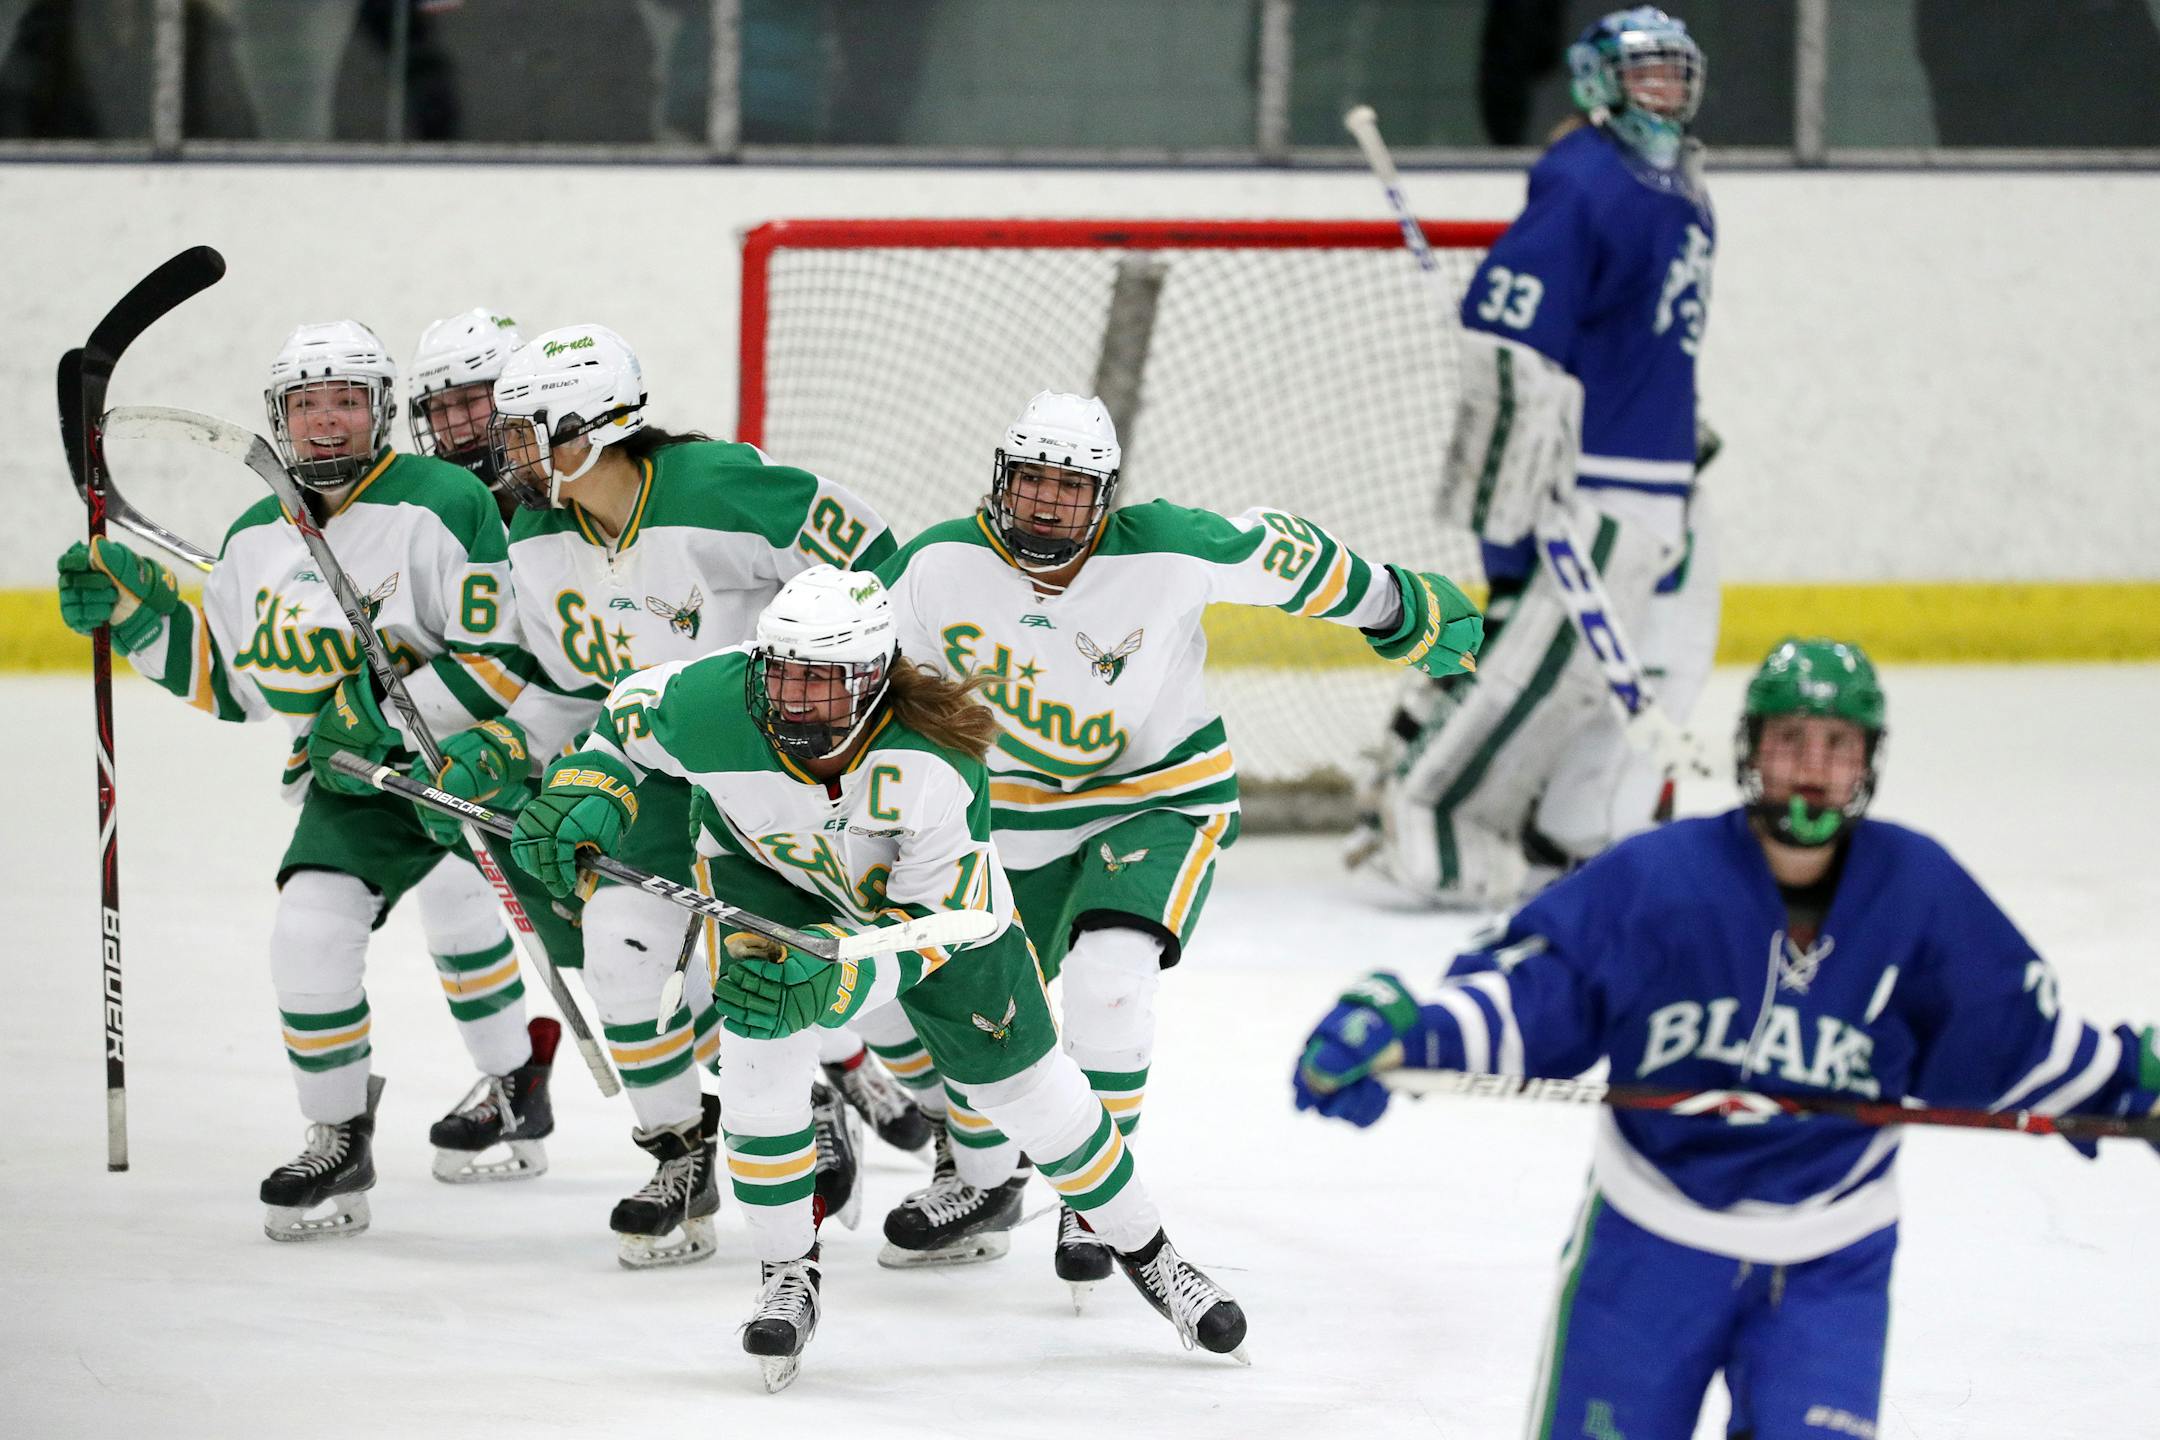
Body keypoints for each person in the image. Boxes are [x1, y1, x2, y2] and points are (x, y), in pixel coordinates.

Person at [1296, 638, 2160, 1439]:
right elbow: (1539, 997)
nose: (1813, 772)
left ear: (1869, 761)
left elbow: (2009, 1036)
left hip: (1830, 1264)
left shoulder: (1920, 893)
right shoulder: (1660, 879)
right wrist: (1415, 1037)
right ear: (1751, 750)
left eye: (1837, 746)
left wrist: (2132, 1077)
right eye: (1791, 741)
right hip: (1649, 1245)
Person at [505, 566, 1249, 1387]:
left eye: (820, 679)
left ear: (872, 681)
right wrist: (592, 783)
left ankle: (1152, 1255)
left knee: (1030, 1093)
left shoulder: (933, 766)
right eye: (781, 669)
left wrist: (834, 986)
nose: (792, 696)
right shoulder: (717, 704)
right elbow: (626, 717)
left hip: (929, 926)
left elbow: (928, 931)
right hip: (769, 888)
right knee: (758, 1070)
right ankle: (788, 1274)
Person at [864, 390, 1482, 1299]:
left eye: (1070, 490)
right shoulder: (933, 566)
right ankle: (981, 1183)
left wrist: (1400, 608)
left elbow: (1292, 557)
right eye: (1031, 480)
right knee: (985, 1019)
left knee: (1111, 979)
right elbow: (854, 676)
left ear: (1106, 498)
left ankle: (1090, 1193)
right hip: (1006, 815)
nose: (1046, 503)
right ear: (1002, 479)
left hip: (1153, 796)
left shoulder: (1168, 548)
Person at [337, 321, 913, 1269]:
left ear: (587, 432)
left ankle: (929, 1122)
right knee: (617, 950)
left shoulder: (727, 488)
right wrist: (501, 746)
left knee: (832, 966)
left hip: (779, 776)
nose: (502, 451)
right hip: (647, 767)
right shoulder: (535, 532)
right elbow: (570, 691)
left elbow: (880, 581)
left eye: (523, 432)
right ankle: (682, 1154)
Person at [54, 319, 560, 1239]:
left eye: (347, 401)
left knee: (584, 940)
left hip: (478, 771)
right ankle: (338, 1137)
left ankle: (560, 1085)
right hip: (356, 788)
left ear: (380, 411)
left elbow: (499, 660)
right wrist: (133, 615)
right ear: (279, 418)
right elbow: (234, 683)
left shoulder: (443, 499)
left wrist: (384, 711)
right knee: (307, 935)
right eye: (306, 403)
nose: (327, 422)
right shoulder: (257, 537)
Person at [1347, 5, 1721, 910]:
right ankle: (1430, 812)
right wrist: (1527, 471)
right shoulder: (1586, 183)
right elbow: (1506, 333)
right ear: (1600, 83)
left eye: (1674, 72)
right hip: (1593, 477)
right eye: (1643, 73)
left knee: (1656, 664)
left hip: (1663, 471)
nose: (1662, 90)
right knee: (1554, 665)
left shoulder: (1685, 183)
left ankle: (1579, 831)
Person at [409, 307, 524, 510]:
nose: (454, 421)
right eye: (438, 407)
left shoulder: (570, 490)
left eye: (469, 401)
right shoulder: (427, 514)